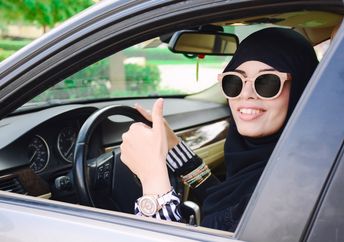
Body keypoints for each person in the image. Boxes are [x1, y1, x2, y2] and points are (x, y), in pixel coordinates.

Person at [120, 27, 319, 232]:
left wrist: (153, 183)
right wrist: (174, 148)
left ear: (302, 90)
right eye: (234, 81)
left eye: (267, 82)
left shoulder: (296, 188)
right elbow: (225, 202)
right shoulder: (276, 161)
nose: (246, 94)